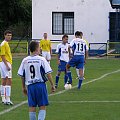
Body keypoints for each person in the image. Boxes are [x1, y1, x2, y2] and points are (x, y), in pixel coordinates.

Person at [18, 41, 55, 120]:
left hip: (30, 86)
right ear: (36, 49)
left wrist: (23, 87)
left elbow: (22, 75)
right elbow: (48, 73)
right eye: (39, 47)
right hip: (40, 85)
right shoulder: (41, 59)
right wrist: (52, 85)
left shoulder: (25, 60)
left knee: (32, 107)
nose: (40, 49)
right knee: (42, 106)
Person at [0, 30, 13, 105]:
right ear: (4, 35)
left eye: (10, 35)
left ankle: (3, 98)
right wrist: (7, 65)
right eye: (8, 35)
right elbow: (2, 55)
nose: (9, 36)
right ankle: (7, 98)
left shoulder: (5, 44)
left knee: (4, 80)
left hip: (4, 63)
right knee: (9, 80)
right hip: (5, 63)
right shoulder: (3, 44)